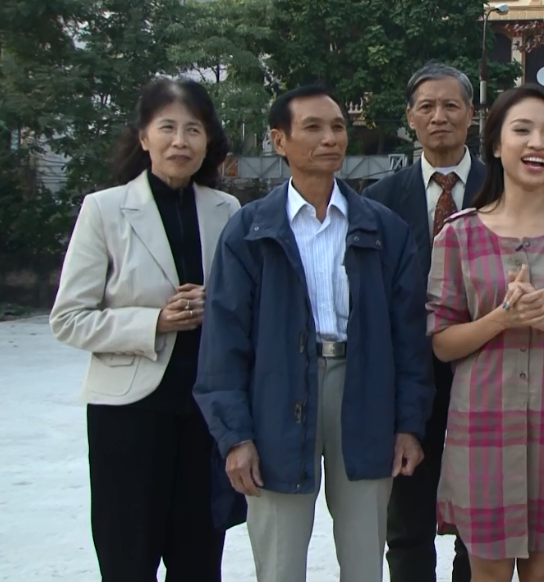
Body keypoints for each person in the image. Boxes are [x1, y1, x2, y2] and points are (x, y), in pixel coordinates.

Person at [193, 85, 433, 582]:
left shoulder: (383, 229)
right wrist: (235, 436)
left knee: (365, 559)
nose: (331, 139)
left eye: (338, 127)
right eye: (314, 128)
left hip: (364, 392)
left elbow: (409, 337)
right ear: (279, 140)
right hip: (277, 395)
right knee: (279, 560)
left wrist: (409, 423)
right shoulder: (250, 230)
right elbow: (224, 343)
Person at [49, 77, 243, 582]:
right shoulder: (104, 209)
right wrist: (154, 321)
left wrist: (215, 304)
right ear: (143, 137)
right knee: (127, 557)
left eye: (193, 129)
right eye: (167, 128)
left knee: (199, 558)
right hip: (128, 413)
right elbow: (69, 318)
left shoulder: (226, 212)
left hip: (205, 412)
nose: (180, 141)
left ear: (208, 140)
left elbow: (246, 305)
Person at [426, 84, 544, 582]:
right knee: (487, 575)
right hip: (482, 428)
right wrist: (501, 319)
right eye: (523, 130)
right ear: (495, 144)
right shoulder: (459, 235)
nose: (538, 143)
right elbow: (442, 341)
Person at [363, 61, 482, 582]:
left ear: (471, 114)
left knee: (480, 519)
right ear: (410, 117)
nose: (440, 117)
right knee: (408, 520)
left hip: (486, 371)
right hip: (408, 378)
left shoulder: (505, 188)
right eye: (427, 107)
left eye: (451, 105)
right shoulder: (379, 200)